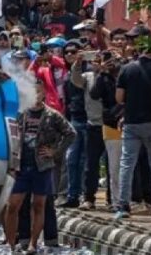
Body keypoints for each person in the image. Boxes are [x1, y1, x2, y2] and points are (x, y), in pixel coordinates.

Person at [5, 80, 76, 255]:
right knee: (13, 205)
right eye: (33, 93)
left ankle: (33, 244)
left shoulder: (52, 115)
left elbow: (70, 133)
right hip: (20, 166)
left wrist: (55, 151)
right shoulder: (20, 113)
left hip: (42, 167)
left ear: (43, 94)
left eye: (39, 93)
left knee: (38, 205)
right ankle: (12, 244)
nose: (36, 96)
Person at [114, 25, 151, 219]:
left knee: (127, 163)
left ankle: (123, 205)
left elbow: (119, 98)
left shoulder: (127, 69)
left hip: (131, 122)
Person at [70, 48, 106, 210]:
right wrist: (77, 64)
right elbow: (76, 80)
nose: (96, 64)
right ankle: (88, 198)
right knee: (90, 164)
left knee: (113, 164)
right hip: (93, 125)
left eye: (99, 61)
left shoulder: (111, 75)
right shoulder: (88, 76)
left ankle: (113, 199)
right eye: (94, 61)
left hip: (111, 125)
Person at [89, 49, 123, 210]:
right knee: (114, 166)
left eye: (113, 59)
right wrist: (102, 73)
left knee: (131, 166)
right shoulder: (103, 78)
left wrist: (122, 65)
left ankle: (133, 199)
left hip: (130, 122)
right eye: (107, 59)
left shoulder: (127, 71)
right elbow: (94, 94)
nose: (111, 63)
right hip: (110, 124)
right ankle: (116, 201)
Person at [59, 41, 87, 208]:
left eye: (73, 51)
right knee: (71, 160)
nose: (69, 54)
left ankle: (83, 195)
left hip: (87, 117)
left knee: (84, 160)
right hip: (73, 119)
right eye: (66, 52)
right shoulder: (66, 74)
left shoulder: (87, 71)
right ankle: (72, 195)